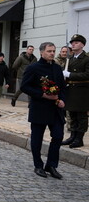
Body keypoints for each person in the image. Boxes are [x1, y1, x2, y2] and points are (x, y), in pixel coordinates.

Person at [20, 42, 66, 179]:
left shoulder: (58, 68)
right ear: (41, 52)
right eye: (49, 51)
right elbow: (24, 86)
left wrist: (62, 100)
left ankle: (51, 165)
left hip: (56, 109)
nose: (52, 53)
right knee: (37, 139)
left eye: (53, 51)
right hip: (39, 108)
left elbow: (62, 87)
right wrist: (42, 94)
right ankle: (38, 165)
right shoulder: (33, 68)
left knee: (58, 136)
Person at [61, 34, 89, 148]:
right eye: (72, 42)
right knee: (72, 115)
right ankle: (72, 136)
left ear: (82, 45)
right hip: (71, 90)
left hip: (82, 91)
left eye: (76, 42)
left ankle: (79, 139)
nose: (73, 44)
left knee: (81, 116)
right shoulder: (70, 59)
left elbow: (87, 74)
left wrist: (70, 74)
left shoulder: (86, 59)